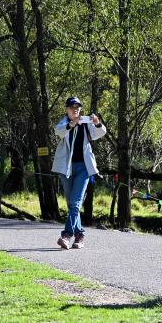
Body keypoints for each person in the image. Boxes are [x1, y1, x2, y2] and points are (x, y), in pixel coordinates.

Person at [52, 96, 106, 249]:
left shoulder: (86, 123)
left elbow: (100, 132)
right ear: (67, 110)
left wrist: (97, 123)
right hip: (66, 169)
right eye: (72, 107)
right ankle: (80, 236)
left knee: (75, 203)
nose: (75, 109)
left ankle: (66, 235)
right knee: (71, 205)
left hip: (84, 168)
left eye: (78, 107)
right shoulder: (64, 123)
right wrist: (71, 124)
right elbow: (59, 131)